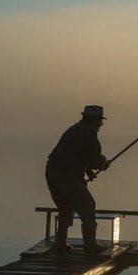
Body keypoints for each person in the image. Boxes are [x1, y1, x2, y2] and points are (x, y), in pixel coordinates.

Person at [46, 104, 109, 254]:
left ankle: (60, 244)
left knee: (65, 207)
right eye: (100, 121)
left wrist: (87, 171)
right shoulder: (90, 136)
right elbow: (95, 160)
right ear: (94, 121)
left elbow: (76, 154)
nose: (101, 124)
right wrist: (104, 163)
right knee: (88, 205)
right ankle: (90, 245)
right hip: (68, 177)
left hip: (52, 174)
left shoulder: (74, 130)